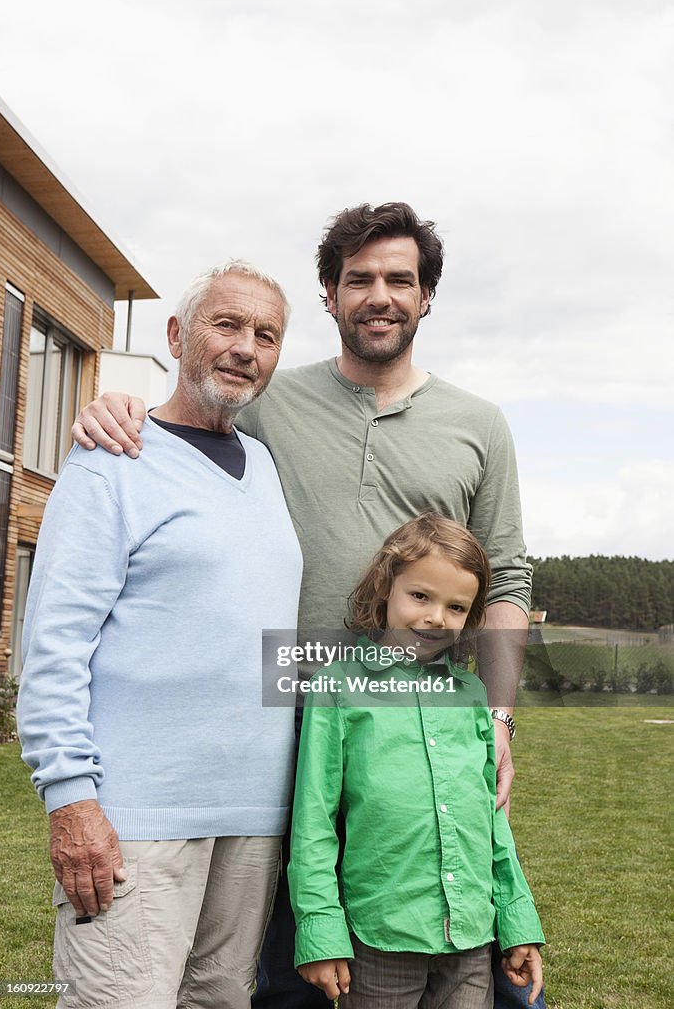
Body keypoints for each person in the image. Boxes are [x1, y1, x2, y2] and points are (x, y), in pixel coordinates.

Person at [70, 202, 544, 1009]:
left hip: (419, 725)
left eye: (400, 279)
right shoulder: (269, 402)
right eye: (357, 279)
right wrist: (115, 407)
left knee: (460, 940)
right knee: (296, 963)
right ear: (329, 295)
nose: (379, 295)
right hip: (287, 714)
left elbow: (504, 583)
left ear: (427, 296)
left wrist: (495, 719)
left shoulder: (478, 426)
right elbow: (184, 423)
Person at [17, 261, 303, 1009]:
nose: (245, 347)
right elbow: (53, 641)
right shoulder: (113, 457)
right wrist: (71, 800)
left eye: (265, 335)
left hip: (252, 824)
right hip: (132, 822)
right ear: (177, 336)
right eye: (227, 324)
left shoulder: (267, 466)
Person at [289, 513, 544, 1008]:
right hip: (381, 936)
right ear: (386, 586)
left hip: (471, 939)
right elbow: (313, 823)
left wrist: (517, 923)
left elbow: (492, 822)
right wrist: (321, 931)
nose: (435, 618)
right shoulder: (337, 687)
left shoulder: (473, 696)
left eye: (456, 606)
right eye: (420, 596)